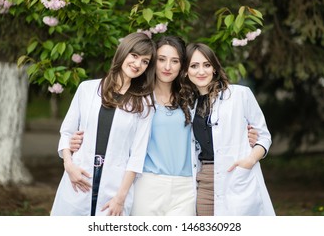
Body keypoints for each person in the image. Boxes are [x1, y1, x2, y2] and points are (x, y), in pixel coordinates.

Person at [69, 36, 260, 216]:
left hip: (186, 187)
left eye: (175, 61)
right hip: (147, 184)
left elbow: (214, 128)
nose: (167, 67)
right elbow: (114, 131)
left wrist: (247, 136)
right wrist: (77, 141)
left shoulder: (191, 98)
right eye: (161, 59)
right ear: (153, 62)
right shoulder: (137, 100)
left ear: (182, 66)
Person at [50, 32, 157, 216]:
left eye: (145, 61)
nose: (138, 64)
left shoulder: (144, 103)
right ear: (123, 52)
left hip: (115, 187)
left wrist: (120, 198)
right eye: (134, 56)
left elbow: (137, 155)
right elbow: (67, 133)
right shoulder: (87, 89)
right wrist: (69, 165)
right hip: (79, 175)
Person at [180, 42, 275, 216]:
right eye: (194, 66)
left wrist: (251, 160)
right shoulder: (187, 105)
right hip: (206, 180)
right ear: (186, 71)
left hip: (237, 175)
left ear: (214, 68)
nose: (201, 71)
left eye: (207, 65)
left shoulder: (239, 94)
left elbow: (263, 136)